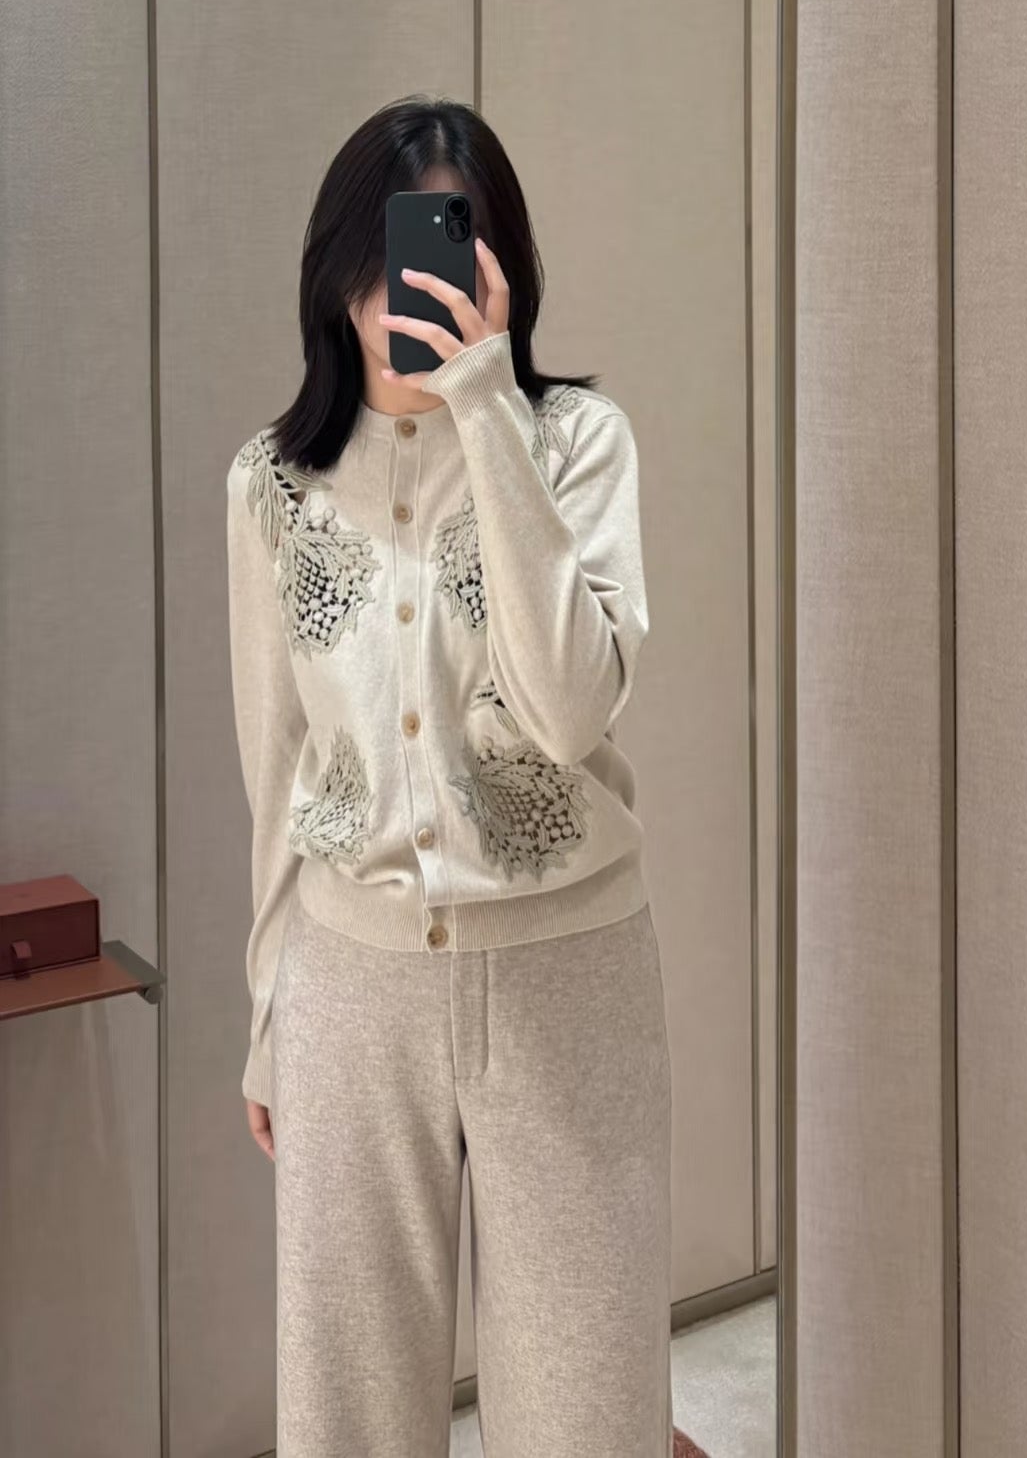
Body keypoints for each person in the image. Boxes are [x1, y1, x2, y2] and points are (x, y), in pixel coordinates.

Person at [225, 92, 673, 1458]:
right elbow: (277, 767)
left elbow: (569, 706)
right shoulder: (272, 485)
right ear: (335, 272)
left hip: (568, 981)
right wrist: (268, 1011)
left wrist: (485, 403)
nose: (400, 294)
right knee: (348, 1410)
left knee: (585, 1406)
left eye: (438, 252)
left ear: (498, 269)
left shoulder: (579, 445)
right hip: (349, 988)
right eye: (379, 257)